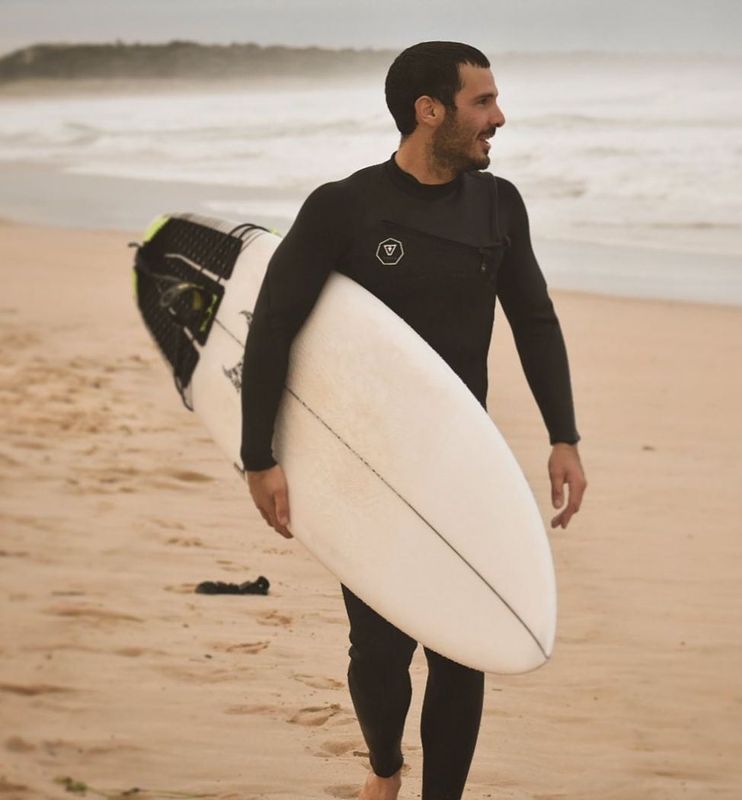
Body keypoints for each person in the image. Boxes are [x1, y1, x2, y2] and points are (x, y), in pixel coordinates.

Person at [240, 41, 587, 800]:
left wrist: (564, 435)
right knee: (379, 653)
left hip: (461, 462)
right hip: (367, 468)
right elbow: (274, 324)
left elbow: (533, 317)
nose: (500, 117)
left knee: (462, 648)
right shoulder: (346, 206)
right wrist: (257, 455)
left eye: (495, 100)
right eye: (483, 102)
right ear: (430, 111)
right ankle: (385, 767)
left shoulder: (500, 206)